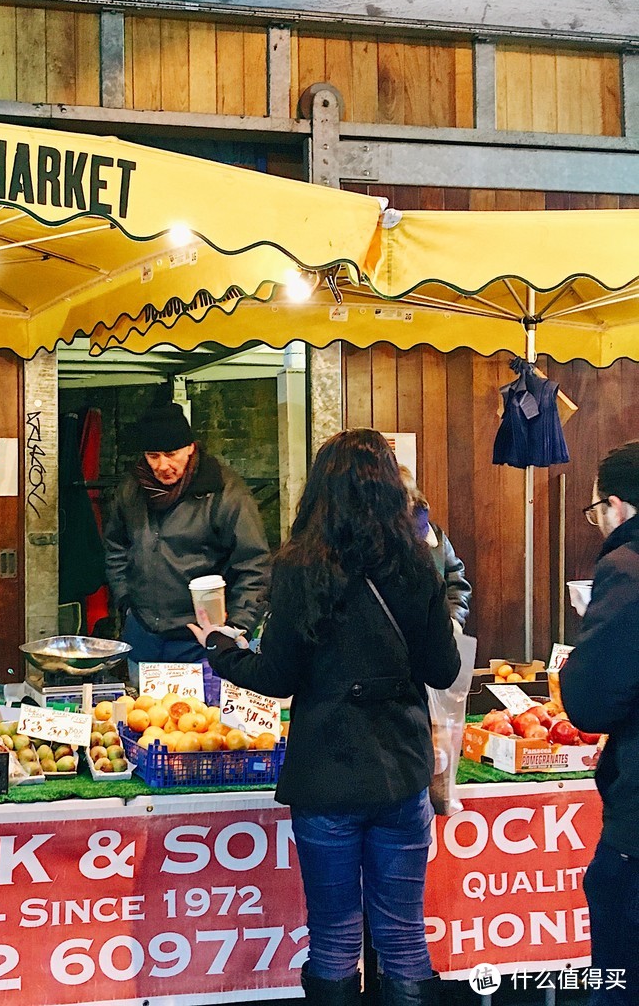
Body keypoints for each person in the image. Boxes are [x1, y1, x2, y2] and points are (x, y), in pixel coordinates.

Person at [189, 429, 459, 1006]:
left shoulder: (300, 568)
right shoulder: (419, 567)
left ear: (320, 491)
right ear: (391, 490)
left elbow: (277, 678)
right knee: (406, 939)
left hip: (328, 778)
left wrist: (220, 646)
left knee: (335, 940)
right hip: (401, 774)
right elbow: (443, 669)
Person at [103, 398, 270, 687]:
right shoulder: (132, 489)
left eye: (171, 453)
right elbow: (116, 546)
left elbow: (254, 564)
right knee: (145, 722)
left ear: (191, 447)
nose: (162, 465)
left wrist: (235, 628)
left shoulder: (224, 493)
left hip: (204, 644)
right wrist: (126, 602)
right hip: (143, 638)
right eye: (153, 455)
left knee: (201, 727)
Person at [559, 440, 639, 1005]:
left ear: (616, 506)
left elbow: (589, 703)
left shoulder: (626, 568)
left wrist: (585, 649)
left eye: (595, 512)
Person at [398, 465, 472, 633]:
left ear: (413, 499)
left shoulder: (435, 538)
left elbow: (457, 583)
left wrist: (454, 621)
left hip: (438, 635)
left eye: (404, 496)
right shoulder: (376, 538)